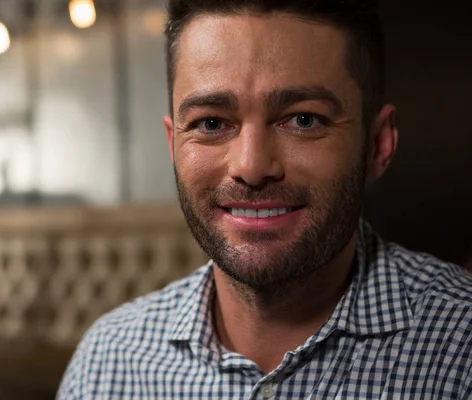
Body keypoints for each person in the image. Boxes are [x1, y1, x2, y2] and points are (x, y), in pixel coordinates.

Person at [57, 0, 472, 398]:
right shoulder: (108, 362)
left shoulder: (461, 344)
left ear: (378, 145)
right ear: (173, 145)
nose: (252, 167)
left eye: (303, 120)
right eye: (212, 122)